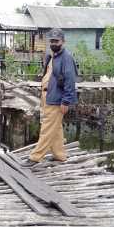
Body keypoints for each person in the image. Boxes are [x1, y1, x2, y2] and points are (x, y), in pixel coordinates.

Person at [22, 28, 78, 167]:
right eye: (51, 41)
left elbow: (70, 81)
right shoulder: (52, 56)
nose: (53, 43)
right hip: (47, 95)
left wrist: (66, 100)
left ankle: (35, 157)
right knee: (56, 127)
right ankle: (60, 155)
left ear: (63, 42)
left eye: (56, 41)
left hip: (57, 98)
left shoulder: (66, 58)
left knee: (47, 128)